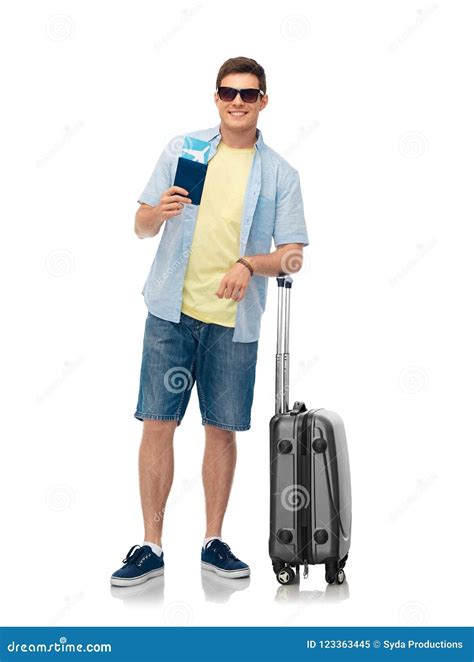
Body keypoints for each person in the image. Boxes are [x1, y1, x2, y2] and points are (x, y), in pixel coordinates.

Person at [110, 56, 309, 587]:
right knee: (157, 422)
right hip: (170, 313)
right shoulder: (184, 150)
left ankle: (213, 541)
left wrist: (249, 264)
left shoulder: (279, 174)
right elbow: (139, 227)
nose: (237, 102)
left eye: (248, 94)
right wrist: (157, 213)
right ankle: (150, 546)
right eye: (228, 92)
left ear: (263, 100)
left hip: (233, 323)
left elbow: (292, 257)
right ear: (216, 97)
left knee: (221, 431)